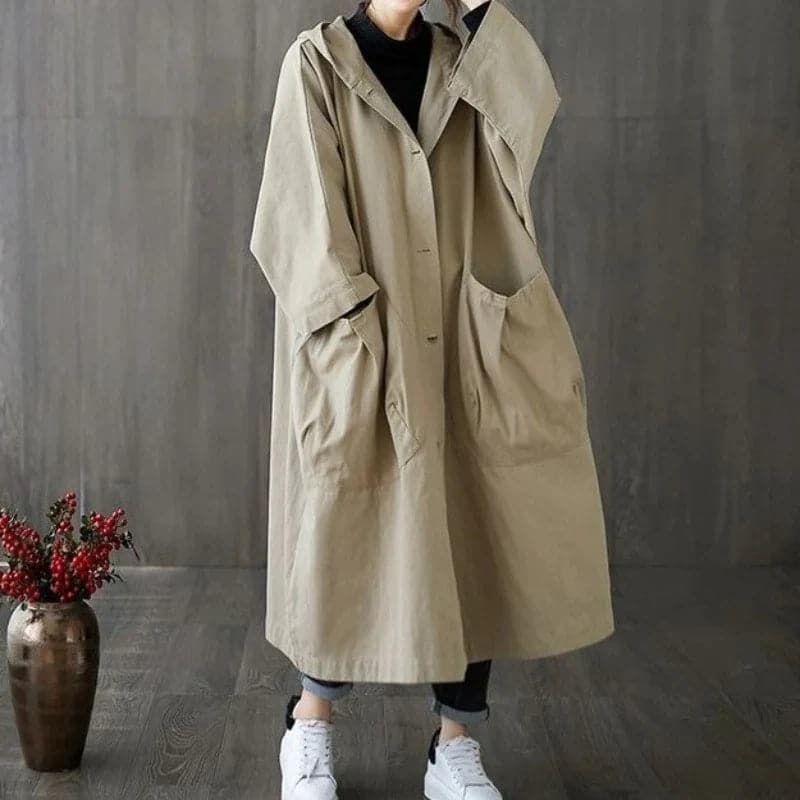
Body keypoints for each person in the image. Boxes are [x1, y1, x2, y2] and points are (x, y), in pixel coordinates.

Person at [249, 1, 616, 798]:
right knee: (344, 535)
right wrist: (352, 334)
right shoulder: (317, 63)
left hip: (463, 337)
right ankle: (308, 726)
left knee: (472, 534)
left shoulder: (466, 58)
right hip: (367, 342)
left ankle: (454, 746)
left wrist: (479, 6)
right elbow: (297, 223)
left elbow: (528, 119)